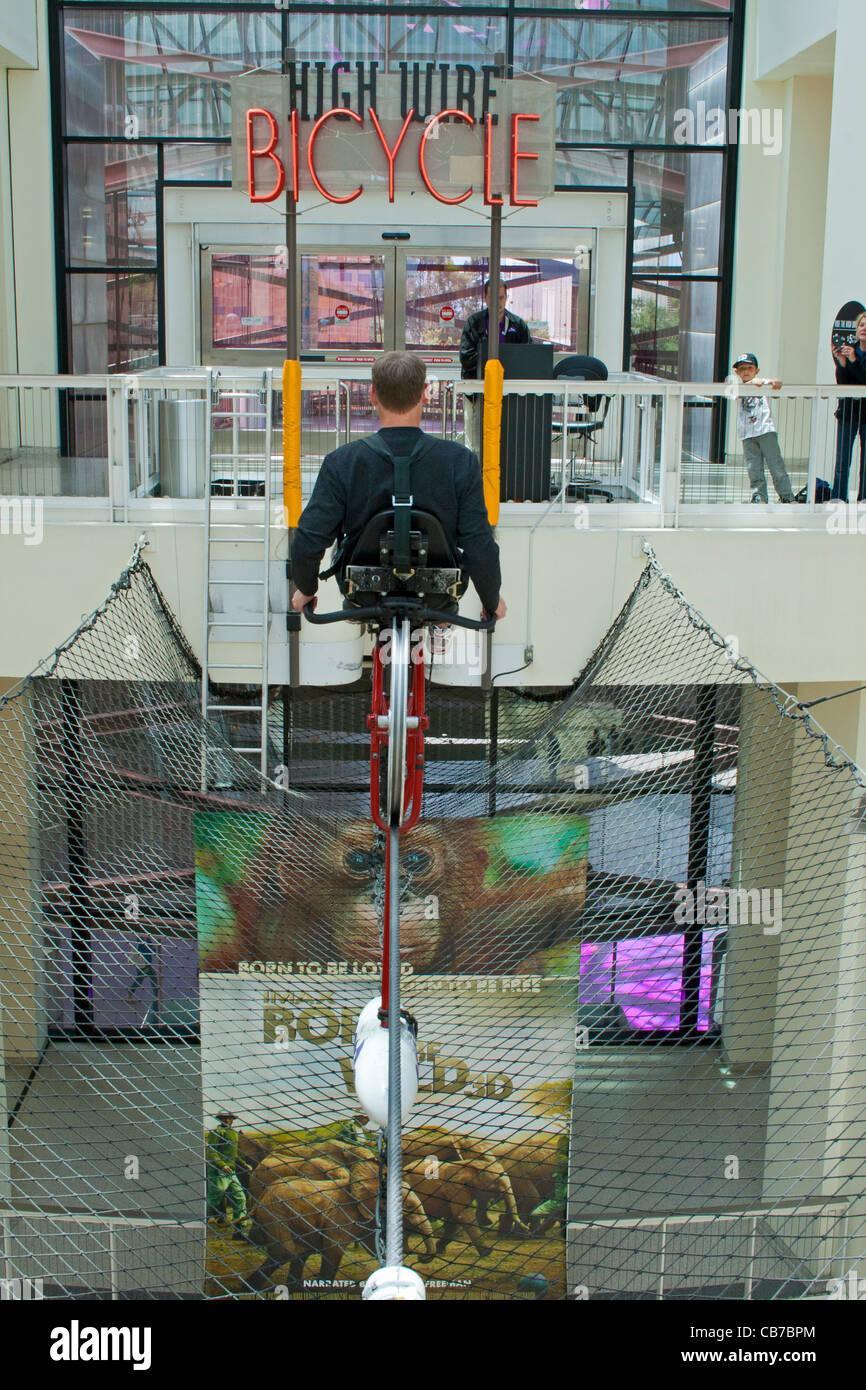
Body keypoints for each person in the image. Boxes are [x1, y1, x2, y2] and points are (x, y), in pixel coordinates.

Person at [290, 351, 506, 624]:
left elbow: (308, 539)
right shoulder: (460, 462)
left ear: (372, 395)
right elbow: (479, 544)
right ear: (426, 393)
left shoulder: (341, 462)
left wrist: (307, 589)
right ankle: (440, 630)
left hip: (364, 596)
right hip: (438, 597)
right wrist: (491, 598)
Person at [459, 279, 531, 453]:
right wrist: (494, 362)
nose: (497, 303)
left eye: (500, 298)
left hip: (510, 396)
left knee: (507, 444)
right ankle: (476, 480)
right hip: (477, 394)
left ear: (506, 298)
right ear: (485, 297)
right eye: (493, 298)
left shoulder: (518, 325)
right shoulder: (474, 323)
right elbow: (466, 356)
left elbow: (529, 357)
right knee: (475, 445)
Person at [731, 353, 795, 503]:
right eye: (742, 369)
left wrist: (769, 382)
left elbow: (777, 382)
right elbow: (732, 395)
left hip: (766, 430)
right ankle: (759, 496)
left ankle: (786, 495)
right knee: (754, 468)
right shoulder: (737, 386)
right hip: (747, 434)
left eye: (750, 368)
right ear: (737, 372)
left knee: (775, 465)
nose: (746, 371)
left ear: (756, 370)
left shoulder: (761, 382)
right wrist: (752, 383)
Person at [832, 311, 866, 501]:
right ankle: (838, 496)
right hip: (847, 414)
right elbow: (843, 383)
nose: (865, 328)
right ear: (856, 328)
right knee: (842, 460)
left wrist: (853, 361)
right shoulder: (850, 349)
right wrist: (843, 363)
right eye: (862, 325)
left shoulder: (855, 354)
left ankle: (864, 497)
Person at [205, 1110, 252, 1238]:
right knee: (214, 1199)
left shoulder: (233, 1133)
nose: (227, 1120)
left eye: (229, 1118)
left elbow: (234, 1155)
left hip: (231, 1172)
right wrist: (222, 1165)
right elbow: (211, 1152)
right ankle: (199, 1222)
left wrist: (243, 1164)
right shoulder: (217, 1132)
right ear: (220, 1119)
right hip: (219, 1172)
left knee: (240, 1198)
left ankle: (239, 1231)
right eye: (224, 1118)